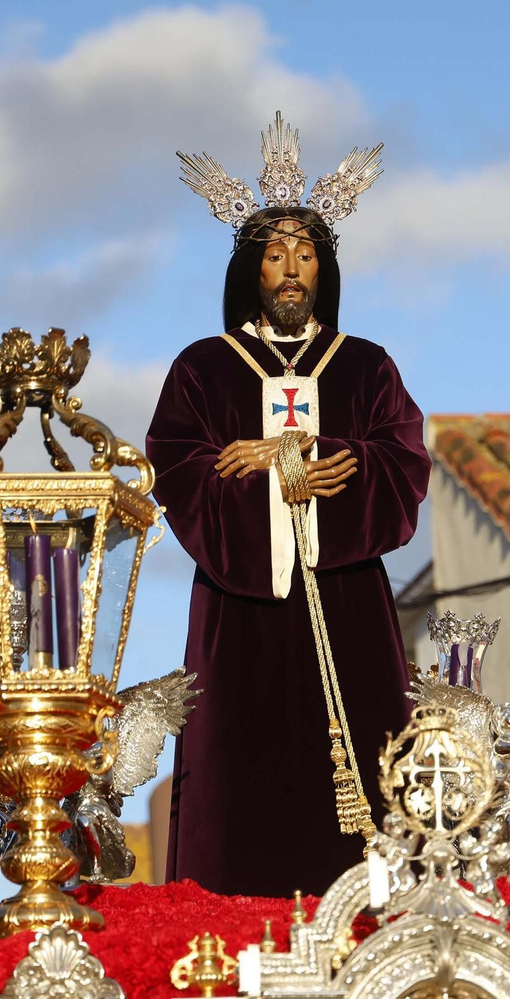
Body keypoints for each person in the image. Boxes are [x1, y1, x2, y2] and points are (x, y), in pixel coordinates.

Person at [148, 115, 429, 896]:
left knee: (370, 781)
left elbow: (403, 464)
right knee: (241, 786)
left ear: (324, 269)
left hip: (349, 606)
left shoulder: (365, 366)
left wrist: (303, 460)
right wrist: (268, 481)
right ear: (252, 271)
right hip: (243, 615)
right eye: (275, 255)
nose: (292, 269)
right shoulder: (205, 368)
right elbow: (179, 466)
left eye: (306, 254)